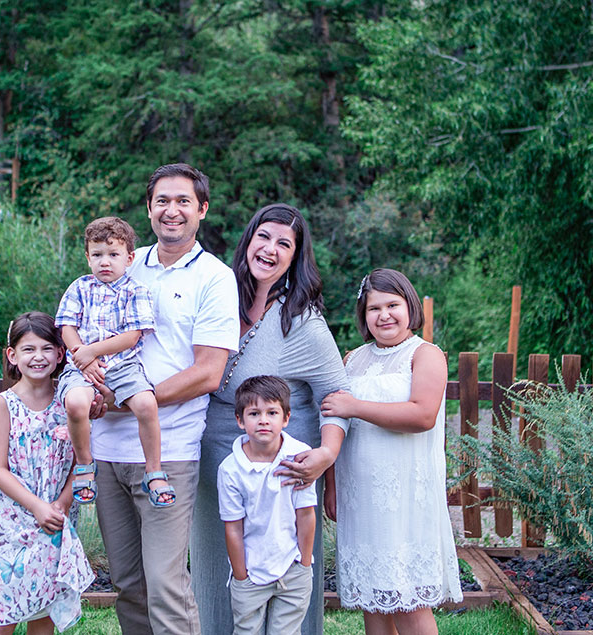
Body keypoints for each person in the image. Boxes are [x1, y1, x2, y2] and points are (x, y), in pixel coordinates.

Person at [92, 163, 240, 634]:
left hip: (169, 451)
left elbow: (209, 372)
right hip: (107, 448)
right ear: (149, 208)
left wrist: (133, 400)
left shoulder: (215, 278)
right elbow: (88, 332)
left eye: (183, 201)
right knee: (128, 583)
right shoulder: (122, 262)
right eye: (162, 201)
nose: (171, 210)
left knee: (165, 584)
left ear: (202, 209)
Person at [192, 203, 351, 635]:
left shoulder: (302, 322)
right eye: (263, 236)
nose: (270, 249)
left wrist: (326, 455)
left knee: (286, 570)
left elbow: (335, 395)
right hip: (215, 462)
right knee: (216, 562)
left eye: (284, 243)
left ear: (295, 257)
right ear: (248, 241)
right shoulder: (219, 298)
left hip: (283, 470)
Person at [321, 268, 462, 635]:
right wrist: (332, 486)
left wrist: (355, 406)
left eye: (392, 305)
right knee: (373, 600)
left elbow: (422, 415)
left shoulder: (425, 354)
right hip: (360, 496)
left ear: (410, 306)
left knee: (407, 600)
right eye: (374, 308)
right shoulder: (352, 359)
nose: (384, 315)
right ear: (363, 314)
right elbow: (336, 422)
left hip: (404, 497)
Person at [0, 312, 94, 634]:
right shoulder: (3, 405)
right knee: (3, 618)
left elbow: (82, 462)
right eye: (28, 349)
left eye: (46, 348)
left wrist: (62, 503)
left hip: (54, 518)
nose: (38, 357)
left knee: (43, 612)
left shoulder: (71, 403)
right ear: (12, 355)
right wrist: (37, 507)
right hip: (10, 524)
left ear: (60, 354)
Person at [55, 216, 174, 508]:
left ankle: (154, 471)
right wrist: (82, 356)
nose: (104, 262)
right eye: (97, 255)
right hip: (82, 368)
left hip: (123, 366)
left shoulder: (136, 290)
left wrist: (91, 351)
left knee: (146, 404)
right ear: (88, 258)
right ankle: (85, 465)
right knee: (76, 404)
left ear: (129, 258)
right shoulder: (79, 288)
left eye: (113, 254)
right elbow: (67, 327)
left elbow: (132, 337)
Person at [218, 375, 317, 635]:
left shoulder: (299, 458)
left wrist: (304, 564)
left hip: (292, 567)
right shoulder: (230, 469)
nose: (263, 420)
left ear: (286, 418)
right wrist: (241, 576)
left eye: (272, 412)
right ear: (240, 420)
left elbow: (306, 515)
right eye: (254, 413)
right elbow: (233, 527)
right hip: (250, 572)